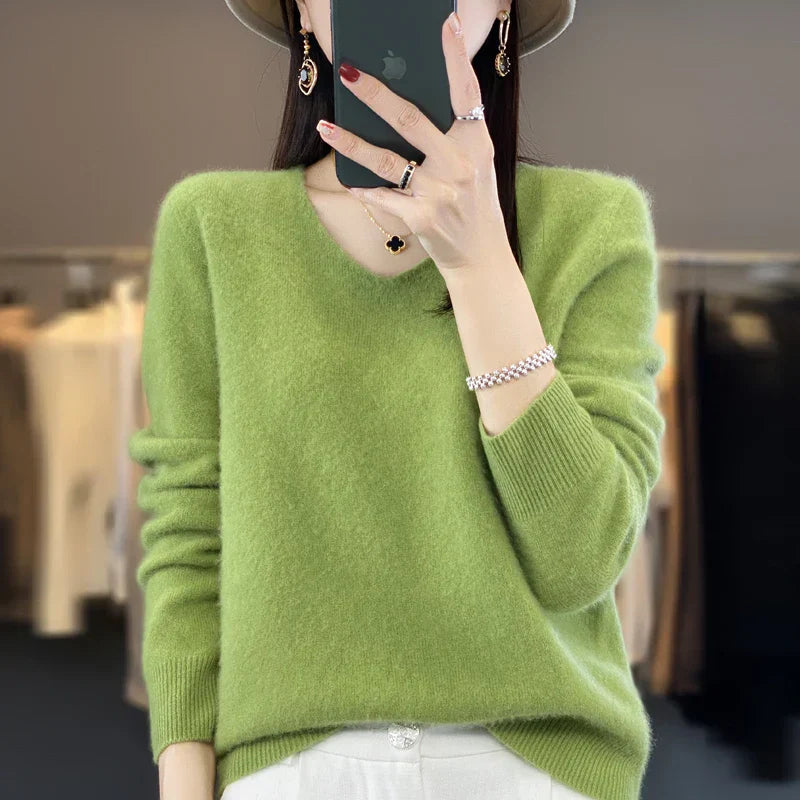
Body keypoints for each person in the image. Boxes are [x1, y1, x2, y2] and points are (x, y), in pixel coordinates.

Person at [128, 1, 666, 799]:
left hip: (536, 769)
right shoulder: (211, 226)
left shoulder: (595, 223)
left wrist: (481, 264)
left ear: (505, 11)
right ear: (302, 13)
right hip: (287, 772)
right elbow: (188, 528)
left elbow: (582, 558)